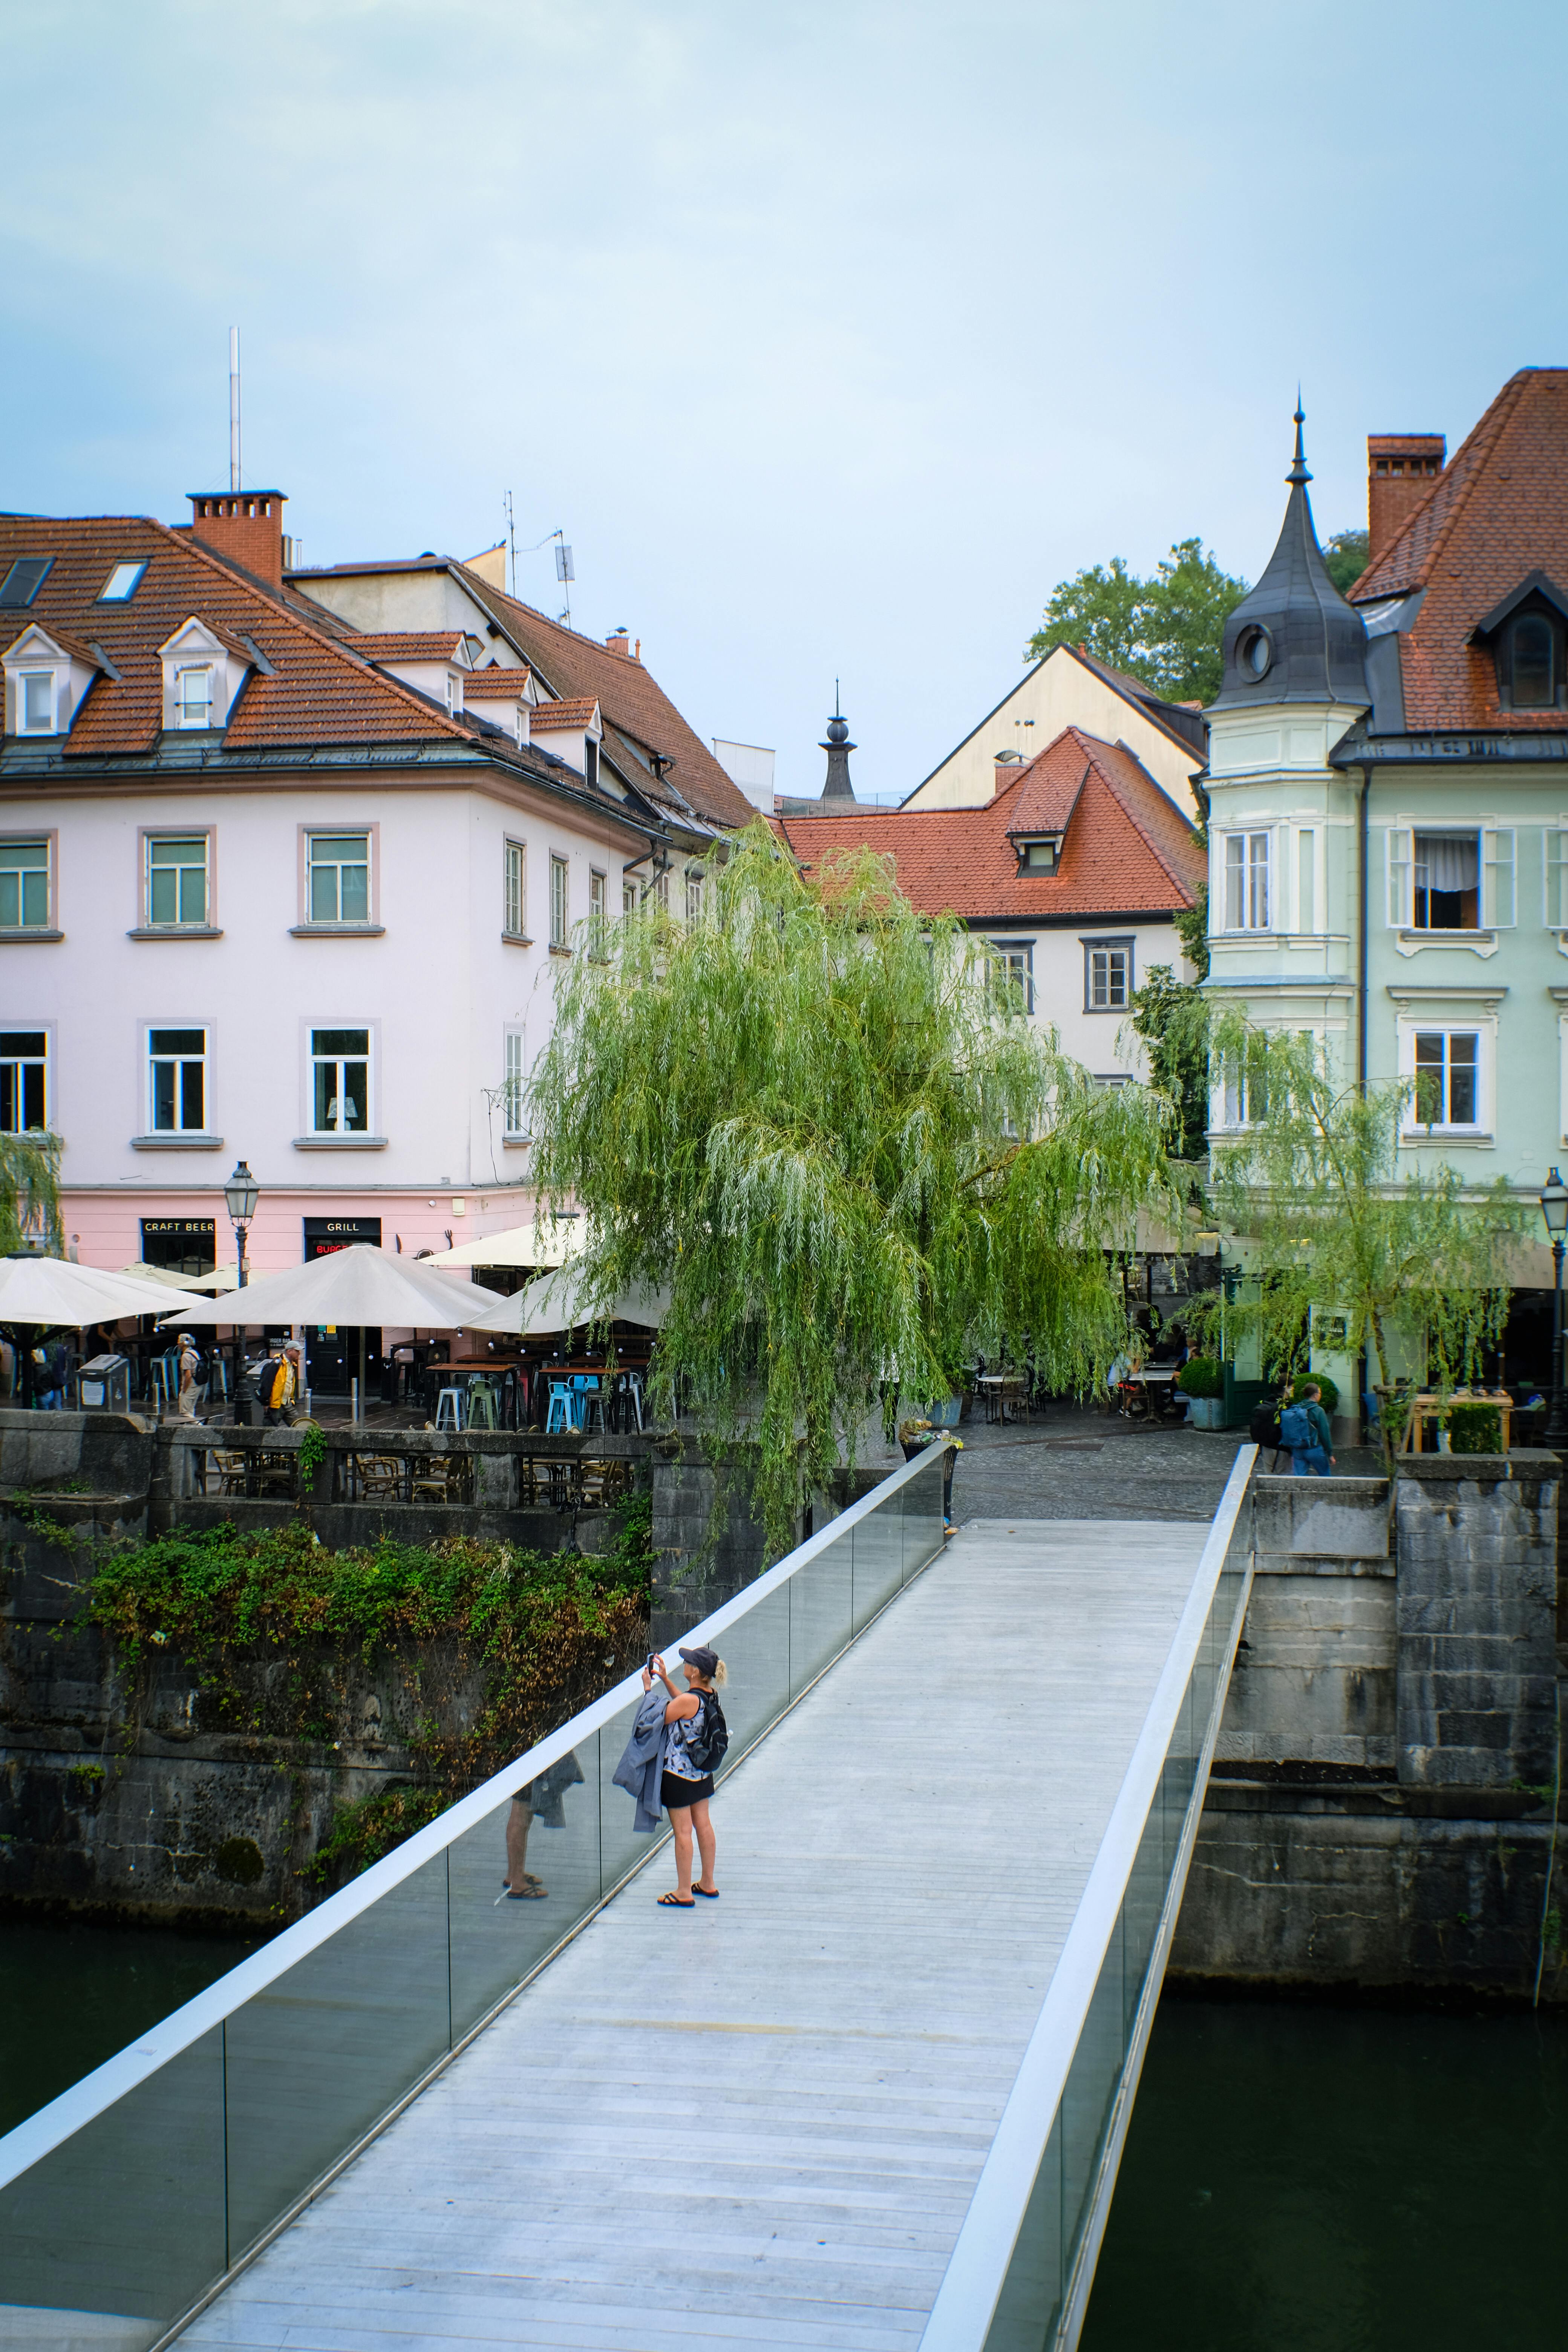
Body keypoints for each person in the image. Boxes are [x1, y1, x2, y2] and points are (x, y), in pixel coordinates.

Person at [645, 1644, 727, 1908]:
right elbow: (686, 1706)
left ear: (695, 1672)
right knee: (703, 1824)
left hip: (678, 1775)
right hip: (701, 1773)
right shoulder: (708, 1695)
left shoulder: (688, 1701)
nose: (685, 1664)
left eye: (688, 1662)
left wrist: (648, 1690)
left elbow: (662, 1718)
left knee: (682, 1832)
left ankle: (683, 1891)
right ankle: (707, 1883)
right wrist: (666, 1679)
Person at [501, 1750, 584, 1900]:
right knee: (522, 1811)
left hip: (525, 1752)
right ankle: (517, 1882)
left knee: (522, 1810)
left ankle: (514, 1874)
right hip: (527, 1753)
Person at [1282, 1381, 1335, 1476]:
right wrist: (1330, 1454)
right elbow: (1325, 1434)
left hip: (1298, 1449)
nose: (1320, 1395)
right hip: (1314, 1449)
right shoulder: (1318, 1411)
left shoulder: (1296, 1408)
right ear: (1315, 1395)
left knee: (1299, 1478)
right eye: (1320, 1393)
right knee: (1325, 1476)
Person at [260, 1343, 303, 1426]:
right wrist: (266, 1402)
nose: (299, 1353)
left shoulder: (292, 1365)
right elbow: (267, 1383)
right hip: (276, 1404)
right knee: (270, 1429)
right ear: (289, 1351)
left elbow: (289, 1383)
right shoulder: (276, 1364)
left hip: (287, 1402)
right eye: (297, 1351)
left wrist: (291, 1399)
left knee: (300, 1426)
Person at [175, 1332, 202, 1419]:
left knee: (185, 1413)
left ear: (184, 1343)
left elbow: (188, 1375)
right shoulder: (194, 1353)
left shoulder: (186, 1356)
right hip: (197, 1385)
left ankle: (201, 1428)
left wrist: (184, 1390)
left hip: (190, 1386)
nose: (178, 1344)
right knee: (191, 1411)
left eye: (180, 1341)